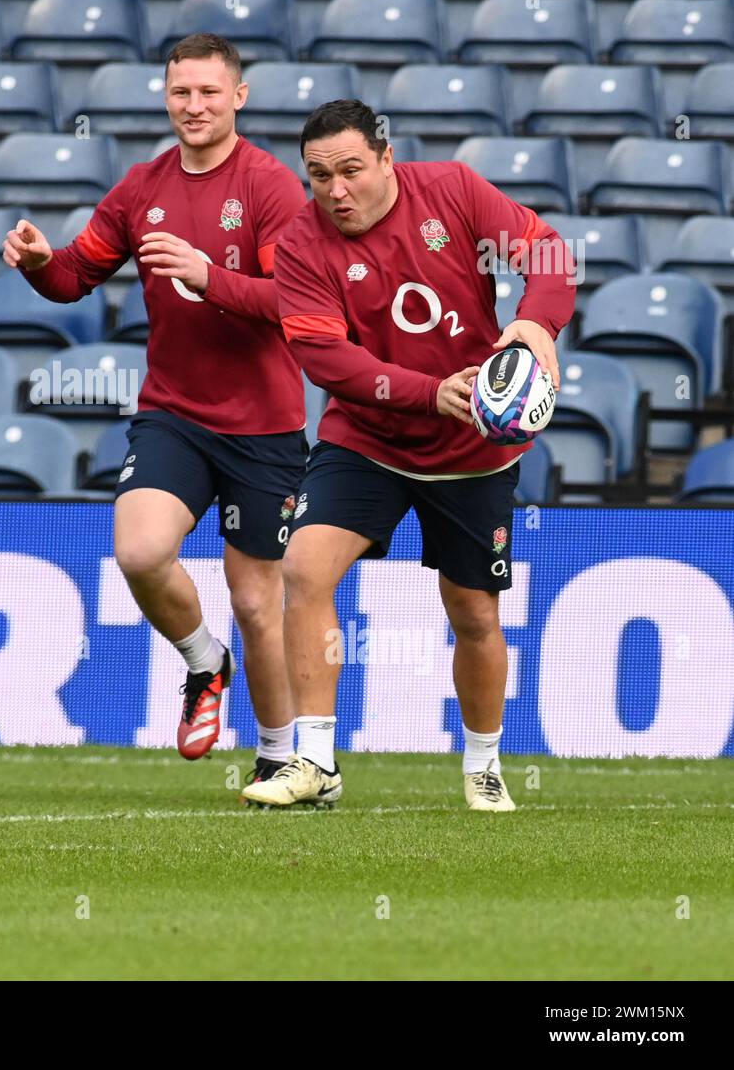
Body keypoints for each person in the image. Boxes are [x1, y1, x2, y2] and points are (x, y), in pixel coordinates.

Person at [241, 99, 575, 812]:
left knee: (474, 612)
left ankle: (483, 763)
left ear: (387, 159)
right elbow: (327, 360)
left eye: (351, 170)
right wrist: (429, 392)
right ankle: (315, 759)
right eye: (319, 176)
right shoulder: (302, 243)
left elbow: (547, 253)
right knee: (303, 565)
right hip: (368, 438)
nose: (336, 190)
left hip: (474, 449)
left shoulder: (452, 191)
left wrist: (534, 319)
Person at [3, 33, 308, 780]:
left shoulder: (271, 187)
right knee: (139, 549)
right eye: (181, 92)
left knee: (257, 601)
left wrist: (210, 278)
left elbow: (296, 302)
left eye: (209, 92)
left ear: (239, 96)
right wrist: (44, 265)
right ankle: (205, 663)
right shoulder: (143, 188)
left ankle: (279, 760)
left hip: (265, 424)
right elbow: (79, 273)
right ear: (164, 96)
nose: (193, 106)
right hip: (174, 411)